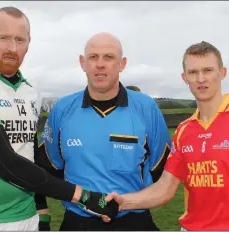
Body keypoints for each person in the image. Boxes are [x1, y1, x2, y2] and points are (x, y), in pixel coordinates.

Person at [0, 7, 118, 231]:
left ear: (29, 43)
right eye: (4, 38)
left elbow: (31, 159)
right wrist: (86, 197)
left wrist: (43, 215)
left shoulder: (32, 92)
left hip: (27, 217)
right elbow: (5, 162)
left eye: (20, 39)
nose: (12, 48)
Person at [106, 41, 229, 231]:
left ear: (222, 73)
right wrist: (123, 201)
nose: (201, 78)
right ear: (185, 77)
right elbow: (166, 187)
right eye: (193, 72)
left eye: (207, 70)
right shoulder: (184, 130)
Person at [35, 32, 172, 231]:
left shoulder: (146, 108)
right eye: (93, 57)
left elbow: (162, 174)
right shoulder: (62, 109)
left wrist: (128, 201)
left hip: (134, 221)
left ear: (122, 63)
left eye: (108, 57)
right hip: (77, 222)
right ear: (82, 63)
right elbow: (47, 171)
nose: (100, 64)